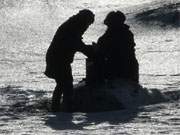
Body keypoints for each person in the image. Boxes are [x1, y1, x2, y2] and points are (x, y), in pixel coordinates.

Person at [45, 9, 94, 112]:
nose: (87, 27)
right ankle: (66, 109)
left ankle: (57, 107)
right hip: (58, 59)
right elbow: (76, 44)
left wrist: (88, 49)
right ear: (85, 21)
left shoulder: (72, 25)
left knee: (62, 83)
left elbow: (77, 43)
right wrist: (91, 51)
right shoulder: (73, 27)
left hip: (57, 58)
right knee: (66, 84)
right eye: (88, 24)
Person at [90, 11, 139, 85]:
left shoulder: (111, 35)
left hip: (118, 70)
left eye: (109, 23)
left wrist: (97, 48)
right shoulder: (127, 33)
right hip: (130, 70)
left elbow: (107, 51)